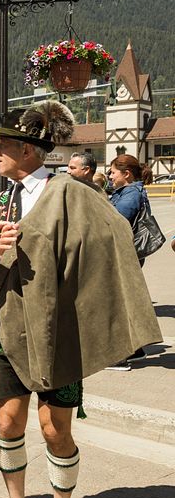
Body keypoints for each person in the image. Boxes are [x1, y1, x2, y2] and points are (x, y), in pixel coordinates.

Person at [0, 103, 162, 498]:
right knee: (8, 420)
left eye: (3, 143)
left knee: (55, 428)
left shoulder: (73, 193)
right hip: (9, 328)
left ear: (30, 149)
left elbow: (111, 238)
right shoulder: (0, 201)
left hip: (60, 332)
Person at [107, 154, 152, 370]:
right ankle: (135, 349)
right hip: (128, 254)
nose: (110, 175)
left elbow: (115, 220)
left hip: (124, 254)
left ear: (126, 174)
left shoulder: (131, 193)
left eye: (113, 172)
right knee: (124, 301)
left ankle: (120, 355)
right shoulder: (130, 191)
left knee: (116, 304)